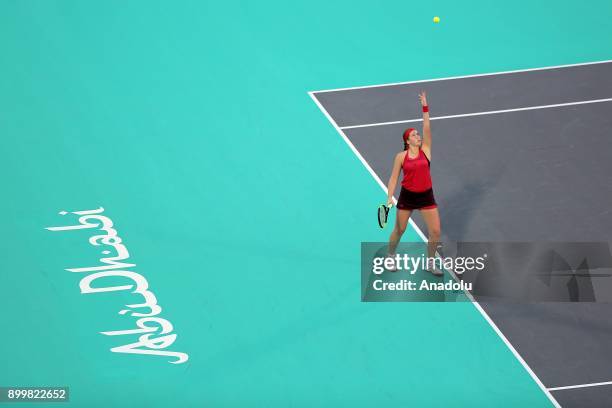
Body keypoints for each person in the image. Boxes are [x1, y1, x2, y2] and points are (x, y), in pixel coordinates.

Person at [385, 91, 442, 276]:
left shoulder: (426, 150)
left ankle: (430, 263)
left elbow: (426, 127)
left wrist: (425, 106)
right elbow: (394, 178)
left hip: (426, 195)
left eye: (418, 134)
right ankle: (390, 256)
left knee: (435, 232)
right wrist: (389, 197)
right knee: (399, 229)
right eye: (414, 135)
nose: (418, 136)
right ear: (407, 140)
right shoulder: (400, 157)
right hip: (408, 196)